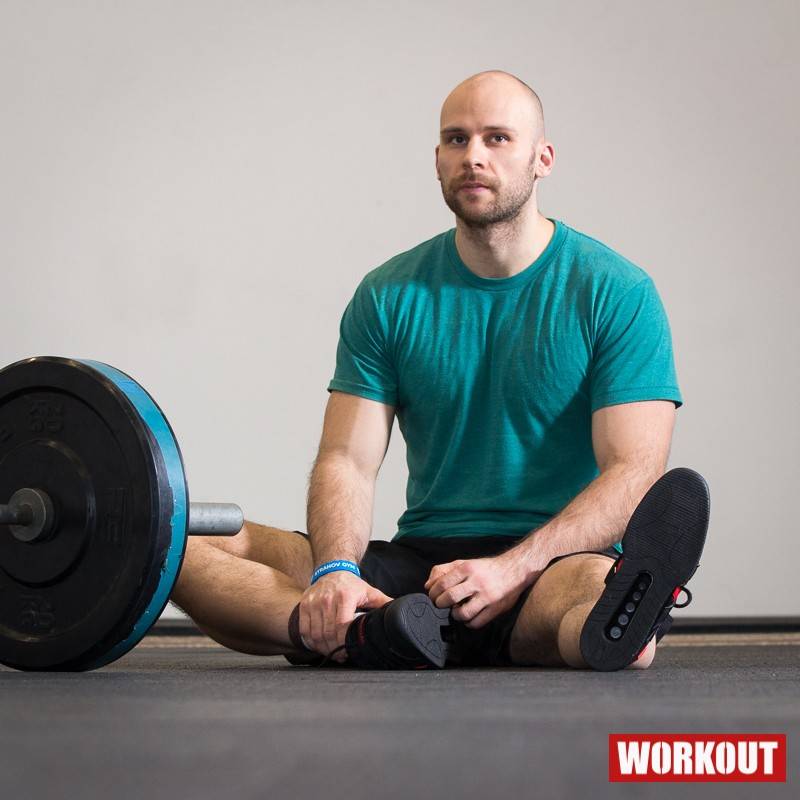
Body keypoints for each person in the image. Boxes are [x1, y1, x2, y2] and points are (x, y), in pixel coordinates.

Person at [171, 70, 709, 670]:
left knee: (591, 597)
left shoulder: (616, 291)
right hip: (420, 571)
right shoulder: (388, 294)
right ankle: (343, 628)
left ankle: (623, 626)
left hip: (552, 563)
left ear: (543, 158)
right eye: (456, 140)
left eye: (497, 138)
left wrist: (510, 569)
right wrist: (336, 572)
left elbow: (634, 472)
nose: (473, 156)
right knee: (176, 544)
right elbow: (346, 460)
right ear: (436, 159)